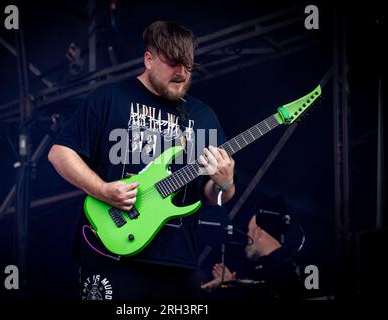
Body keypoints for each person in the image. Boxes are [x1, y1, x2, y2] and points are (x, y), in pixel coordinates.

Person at [48, 21, 236, 300]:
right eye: (173, 63)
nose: (182, 74)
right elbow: (59, 153)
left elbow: (215, 197)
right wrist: (102, 190)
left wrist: (224, 182)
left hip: (177, 262)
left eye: (188, 66)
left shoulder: (203, 116)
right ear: (148, 59)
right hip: (110, 251)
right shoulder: (110, 98)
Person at [201, 213, 302, 299]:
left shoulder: (280, 267)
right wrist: (230, 283)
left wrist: (228, 286)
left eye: (249, 230)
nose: (247, 236)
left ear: (258, 232)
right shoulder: (277, 265)